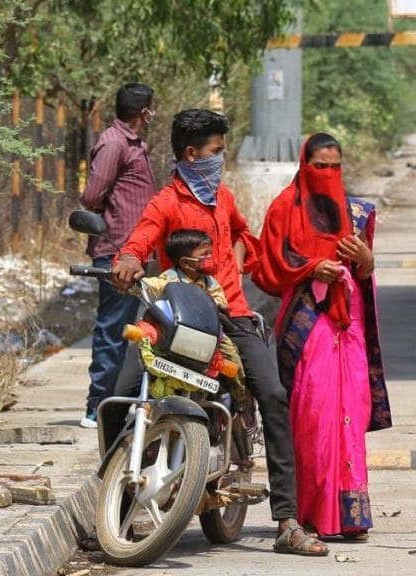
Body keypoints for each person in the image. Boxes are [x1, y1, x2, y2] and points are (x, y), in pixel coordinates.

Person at [108, 109, 328, 556]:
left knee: (273, 395)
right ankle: (118, 497)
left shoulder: (223, 199)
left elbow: (249, 241)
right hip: (179, 313)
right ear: (191, 154)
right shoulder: (165, 202)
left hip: (233, 316)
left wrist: (262, 274)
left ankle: (287, 520)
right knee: (124, 393)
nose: (220, 160)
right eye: (216, 151)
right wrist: (129, 258)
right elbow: (142, 237)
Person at [253, 133, 391, 542]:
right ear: (304, 164)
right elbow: (269, 265)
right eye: (319, 166)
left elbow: (365, 271)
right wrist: (310, 269)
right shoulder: (284, 209)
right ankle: (309, 512)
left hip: (348, 327)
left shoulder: (358, 212)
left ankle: (351, 514)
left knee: (350, 413)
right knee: (312, 415)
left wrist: (365, 262)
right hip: (306, 324)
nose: (328, 174)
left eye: (335, 166)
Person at [78, 83, 157, 429]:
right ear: (144, 112)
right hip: (116, 252)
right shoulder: (114, 143)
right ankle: (97, 407)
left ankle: (117, 404)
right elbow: (93, 196)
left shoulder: (131, 142)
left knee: (132, 331)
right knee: (112, 330)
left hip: (134, 252)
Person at [134, 229, 246, 407]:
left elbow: (220, 300)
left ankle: (241, 399)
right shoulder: (169, 279)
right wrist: (136, 282)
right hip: (177, 329)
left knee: (231, 355)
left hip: (207, 331)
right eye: (205, 254)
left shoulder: (210, 282)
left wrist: (218, 304)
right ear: (186, 263)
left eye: (210, 253)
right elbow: (152, 285)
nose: (210, 257)